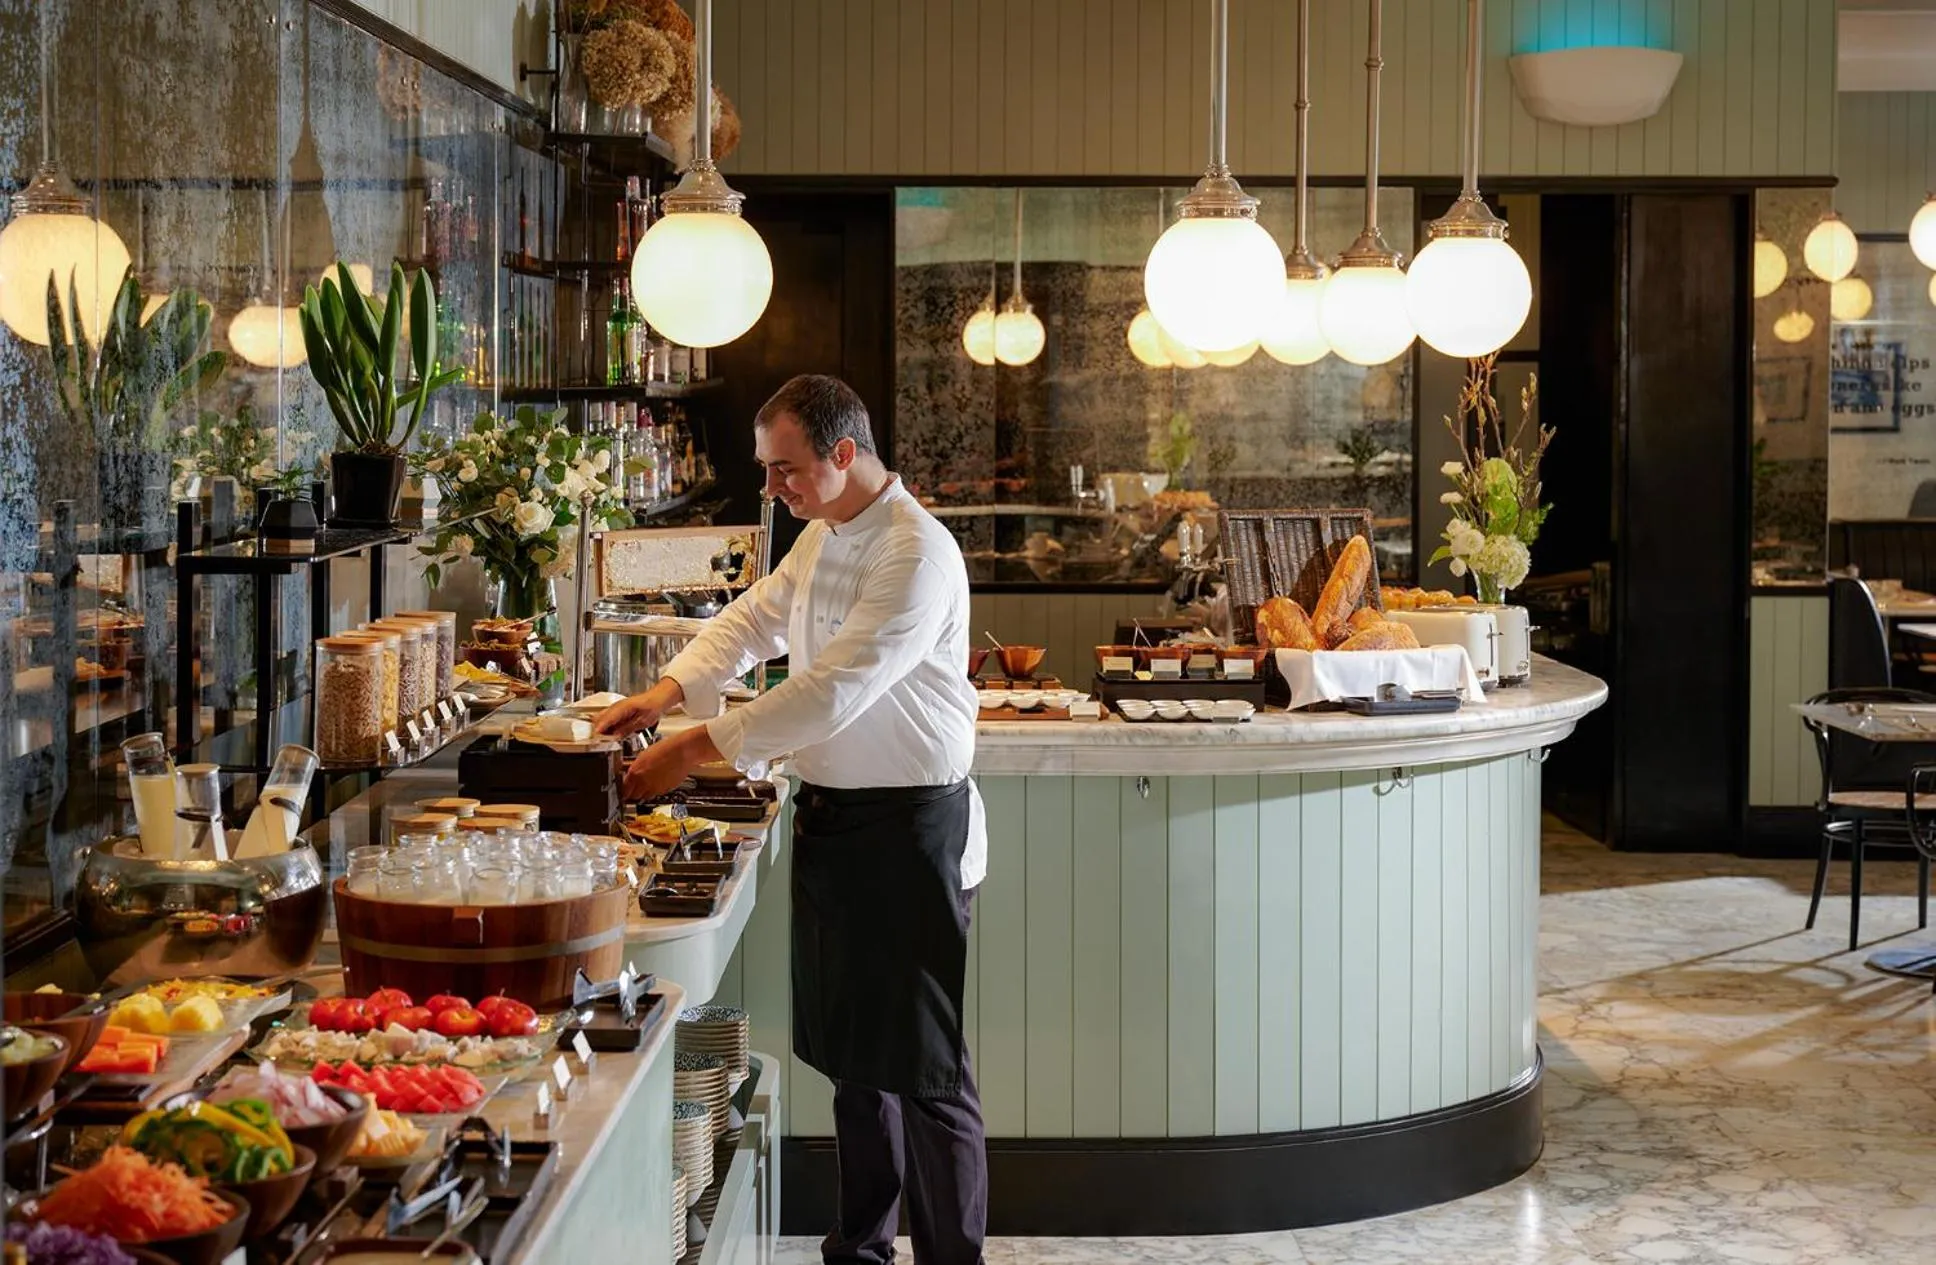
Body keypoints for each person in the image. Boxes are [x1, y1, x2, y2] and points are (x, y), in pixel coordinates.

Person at [594, 374, 988, 1265]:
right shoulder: (823, 535)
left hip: (911, 831)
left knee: (927, 1073)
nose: (773, 489)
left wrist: (694, 747)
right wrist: (664, 690)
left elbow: (835, 689)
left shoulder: (916, 552)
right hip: (838, 825)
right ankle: (861, 1249)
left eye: (786, 470)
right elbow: (754, 619)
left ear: (844, 454)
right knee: (857, 1065)